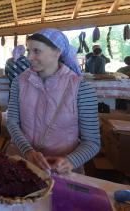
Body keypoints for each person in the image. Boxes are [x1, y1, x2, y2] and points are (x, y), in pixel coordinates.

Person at [7, 28, 100, 175]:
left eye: (36, 51)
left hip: (60, 171)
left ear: (57, 52)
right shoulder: (19, 82)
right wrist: (28, 152)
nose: (29, 57)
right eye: (28, 51)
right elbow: (12, 121)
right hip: (22, 163)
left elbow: (92, 142)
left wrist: (70, 161)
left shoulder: (81, 89)